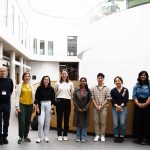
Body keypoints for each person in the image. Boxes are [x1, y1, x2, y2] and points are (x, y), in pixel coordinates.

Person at [54, 69, 74, 141]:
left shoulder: (70, 83)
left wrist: (68, 97)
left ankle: (65, 134)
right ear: (61, 75)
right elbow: (55, 93)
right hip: (59, 101)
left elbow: (72, 93)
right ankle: (59, 134)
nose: (64, 75)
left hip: (67, 101)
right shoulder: (57, 83)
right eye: (62, 74)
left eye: (65, 74)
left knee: (66, 119)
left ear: (67, 74)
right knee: (59, 119)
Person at [34, 75, 55, 143]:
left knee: (47, 122)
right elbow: (36, 98)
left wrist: (52, 107)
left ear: (49, 81)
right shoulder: (39, 88)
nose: (46, 81)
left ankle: (46, 136)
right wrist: (37, 107)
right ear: (43, 80)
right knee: (40, 122)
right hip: (41, 105)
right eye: (45, 79)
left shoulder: (51, 89)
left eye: (47, 80)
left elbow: (53, 99)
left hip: (49, 105)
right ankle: (39, 137)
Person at [15, 72, 34, 144]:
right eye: (25, 76)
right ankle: (20, 136)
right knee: (21, 121)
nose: (27, 77)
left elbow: (33, 96)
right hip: (22, 105)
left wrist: (34, 105)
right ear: (23, 77)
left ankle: (26, 136)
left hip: (30, 105)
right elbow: (17, 96)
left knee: (28, 121)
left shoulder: (31, 85)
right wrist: (17, 106)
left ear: (30, 77)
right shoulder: (20, 85)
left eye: (28, 76)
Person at [91, 73, 111, 142]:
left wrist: (101, 106)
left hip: (104, 107)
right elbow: (92, 97)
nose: (100, 79)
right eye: (99, 78)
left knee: (103, 122)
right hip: (95, 107)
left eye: (101, 78)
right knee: (96, 121)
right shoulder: (93, 88)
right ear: (97, 79)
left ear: (103, 79)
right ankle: (97, 135)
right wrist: (96, 106)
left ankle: (102, 135)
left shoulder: (107, 88)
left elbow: (108, 98)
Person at [132, 71, 150, 145]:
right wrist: (138, 104)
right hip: (138, 104)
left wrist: (146, 103)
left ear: (146, 76)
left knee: (147, 122)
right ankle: (139, 138)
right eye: (141, 75)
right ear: (139, 76)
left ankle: (147, 139)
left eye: (144, 75)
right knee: (138, 121)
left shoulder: (149, 84)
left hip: (148, 104)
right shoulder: (136, 85)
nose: (143, 76)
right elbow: (134, 96)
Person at [110, 76, 129, 143]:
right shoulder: (112, 90)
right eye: (116, 81)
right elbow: (112, 99)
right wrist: (117, 106)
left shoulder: (125, 90)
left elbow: (126, 99)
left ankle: (121, 136)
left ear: (121, 81)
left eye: (119, 80)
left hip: (123, 108)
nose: (117, 82)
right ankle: (116, 136)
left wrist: (120, 106)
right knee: (115, 123)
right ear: (114, 82)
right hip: (114, 108)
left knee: (122, 123)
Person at [73, 77, 91, 142]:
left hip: (85, 110)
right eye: (81, 81)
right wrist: (78, 108)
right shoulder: (76, 90)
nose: (83, 82)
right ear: (80, 82)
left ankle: (83, 137)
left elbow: (90, 101)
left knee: (84, 124)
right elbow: (74, 100)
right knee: (78, 123)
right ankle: (78, 137)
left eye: (84, 81)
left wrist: (84, 108)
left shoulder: (88, 91)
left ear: (86, 82)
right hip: (77, 109)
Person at [0, 66, 13, 145]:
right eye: (1, 71)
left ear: (7, 72)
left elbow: (11, 90)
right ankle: (0, 137)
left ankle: (5, 136)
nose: (3, 72)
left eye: (4, 71)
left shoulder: (9, 80)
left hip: (7, 104)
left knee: (6, 121)